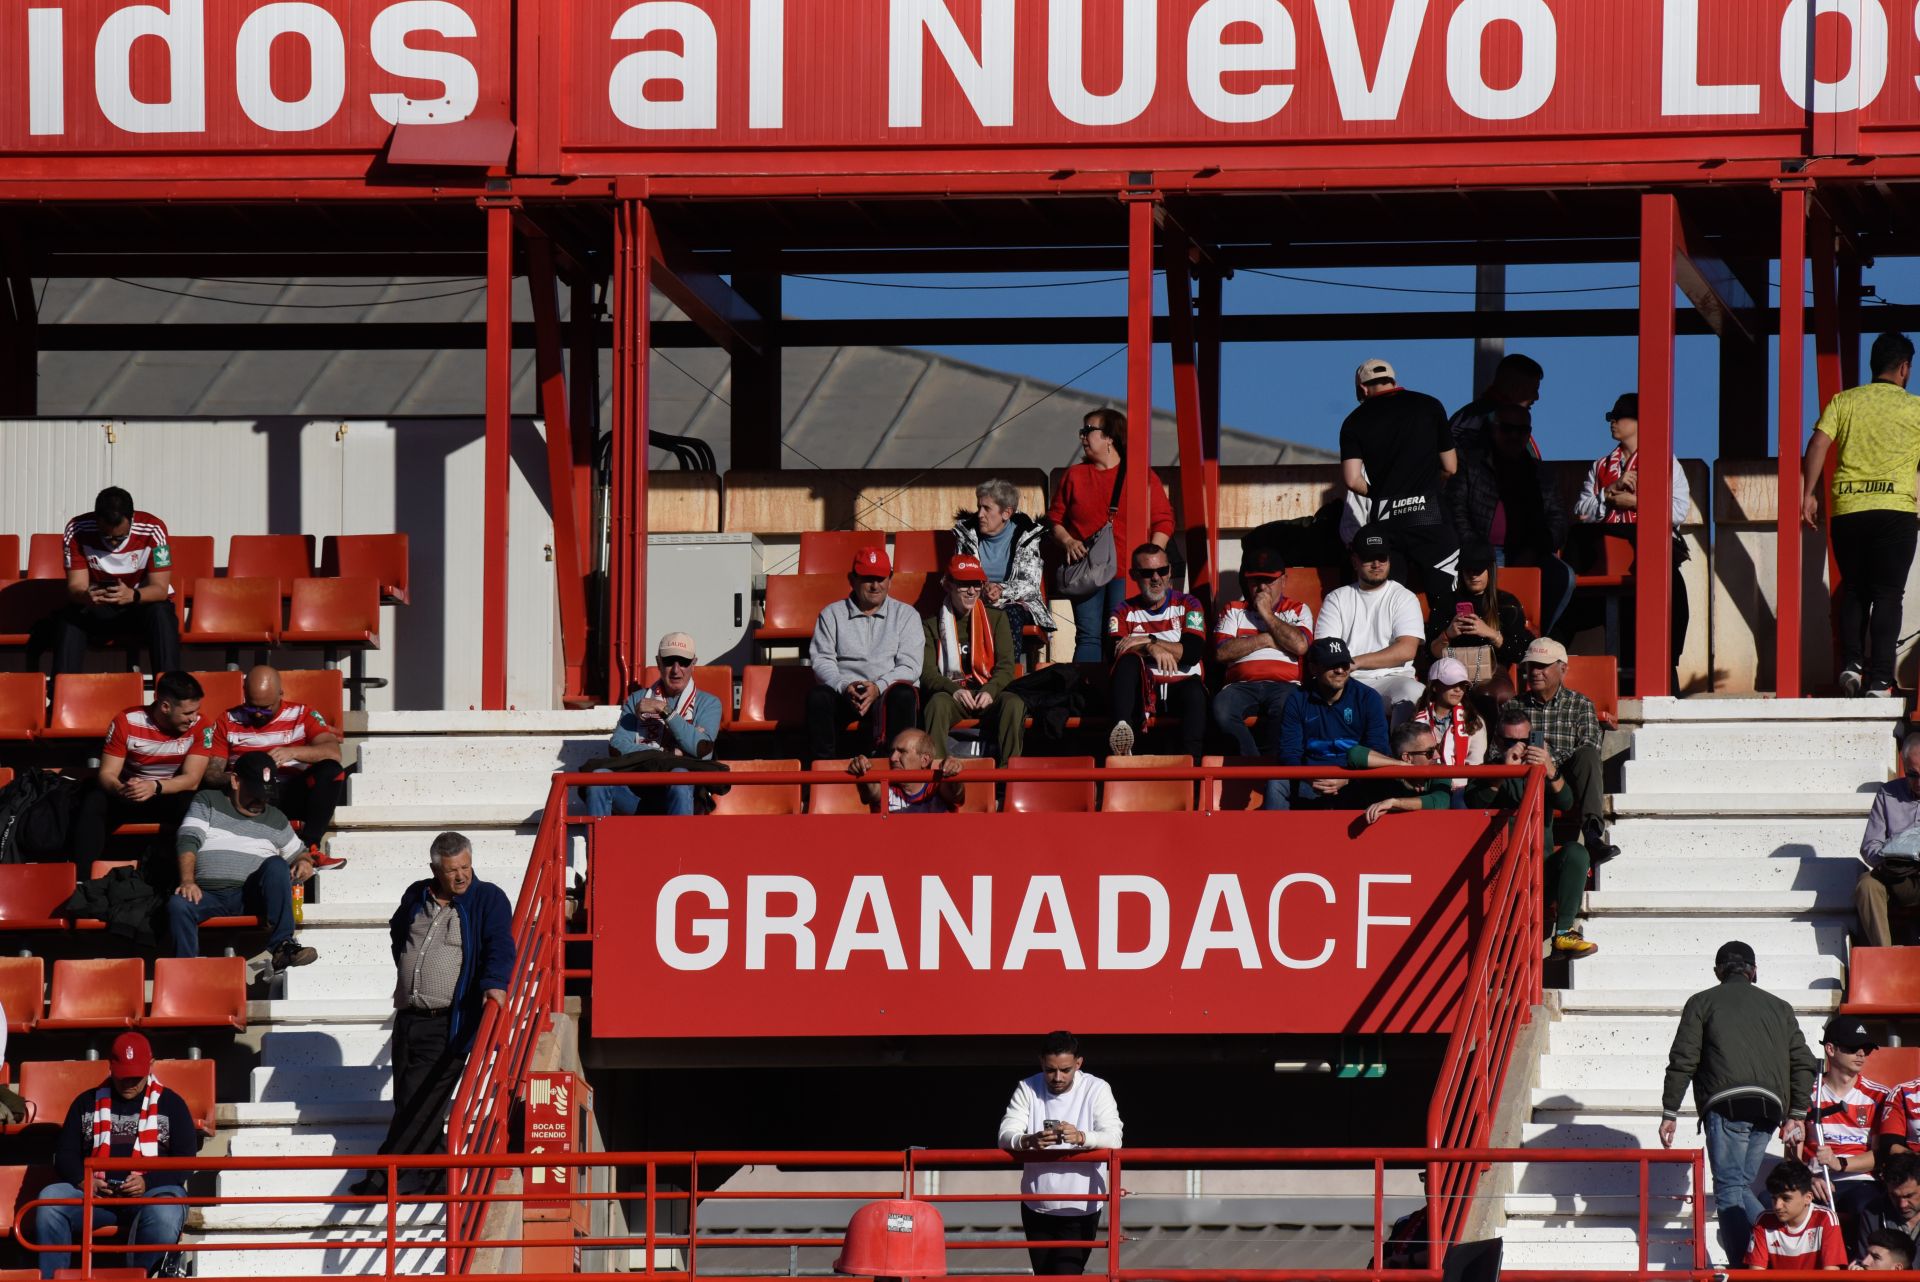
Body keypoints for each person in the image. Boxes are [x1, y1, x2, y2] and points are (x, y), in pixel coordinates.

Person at [350, 832, 514, 1198]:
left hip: (449, 1023)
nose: (461, 876)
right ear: (435, 870)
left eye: (466, 867)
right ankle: (440, 1177)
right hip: (409, 1017)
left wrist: (494, 983)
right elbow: (399, 936)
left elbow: (499, 944)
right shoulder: (416, 894)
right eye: (452, 870)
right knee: (411, 1100)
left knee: (421, 1098)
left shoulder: (488, 898)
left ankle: (382, 1178)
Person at [1659, 940, 1818, 1266]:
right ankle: (1767, 1250)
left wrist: (1669, 1110)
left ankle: (1747, 1266)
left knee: (1730, 1191)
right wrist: (1797, 1113)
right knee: (1741, 1186)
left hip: (1727, 1103)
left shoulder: (1702, 1002)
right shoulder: (1780, 1006)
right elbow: (1804, 1062)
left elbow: (1684, 1059)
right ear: (1753, 970)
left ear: (1718, 971)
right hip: (1769, 1108)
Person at [1801, 332, 1920, 698]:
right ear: (1904, 368)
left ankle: (1851, 664)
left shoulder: (1844, 401)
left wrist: (1809, 493)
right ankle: (1881, 680)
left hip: (1849, 509)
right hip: (1895, 510)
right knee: (1887, 594)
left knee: (1853, 589)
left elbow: (1819, 442)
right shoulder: (1915, 407)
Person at [34, 1031, 197, 1279]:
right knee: (50, 1201)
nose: (129, 1083)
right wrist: (84, 1181)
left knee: (166, 1211)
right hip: (96, 1195)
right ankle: (53, 1278)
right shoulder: (85, 1102)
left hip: (150, 1195)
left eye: (136, 1077)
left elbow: (186, 1159)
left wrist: (148, 1182)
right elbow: (65, 1154)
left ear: (151, 1066)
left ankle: (140, 1276)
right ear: (110, 1067)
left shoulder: (172, 1103)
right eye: (123, 1076)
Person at [1571, 393, 1693, 679]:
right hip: (1605, 558)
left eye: (1619, 416)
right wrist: (1609, 493)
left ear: (1640, 422)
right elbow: (1581, 511)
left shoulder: (1665, 462)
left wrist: (1638, 503)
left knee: (1669, 607)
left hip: (1649, 557)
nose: (1612, 422)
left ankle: (1663, 676)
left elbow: (1679, 510)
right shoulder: (1601, 466)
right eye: (1611, 417)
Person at [170, 750, 319, 972]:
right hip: (207, 895)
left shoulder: (276, 817)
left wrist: (305, 862)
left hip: (249, 896)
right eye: (255, 793)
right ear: (235, 781)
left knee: (276, 864)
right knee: (178, 904)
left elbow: (300, 853)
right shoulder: (208, 801)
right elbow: (188, 840)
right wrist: (187, 881)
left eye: (266, 794)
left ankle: (283, 946)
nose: (261, 801)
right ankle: (185, 972)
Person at [1047, 409, 1173, 663]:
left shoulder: (1141, 476)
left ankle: (1118, 696)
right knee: (1088, 637)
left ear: (1109, 438)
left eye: (1088, 431)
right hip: (1086, 571)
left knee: (1121, 635)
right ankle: (1086, 696)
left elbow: (1164, 520)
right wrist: (1068, 541)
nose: (1082, 437)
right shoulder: (1074, 475)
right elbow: (1054, 520)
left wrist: (1150, 562)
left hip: (1127, 571)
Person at [1467, 709, 1595, 957]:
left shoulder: (1542, 768)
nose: (1518, 747)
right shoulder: (1488, 769)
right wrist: (1504, 773)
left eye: (1525, 741)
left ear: (1534, 739)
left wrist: (1550, 770)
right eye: (1509, 741)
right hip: (1500, 872)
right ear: (1497, 742)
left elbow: (1567, 802)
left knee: (1576, 853)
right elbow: (1475, 803)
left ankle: (1563, 932)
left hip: (1539, 869)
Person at [1339, 358, 1460, 617]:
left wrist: (1380, 494)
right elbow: (1451, 467)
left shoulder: (1354, 421)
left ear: (1362, 389)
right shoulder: (1430, 405)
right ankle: (1443, 649)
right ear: (1394, 380)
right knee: (1445, 603)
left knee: (1389, 604)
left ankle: (1396, 653)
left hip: (1386, 523)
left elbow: (1351, 479)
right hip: (1431, 518)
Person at [996, 1031, 1123, 1277]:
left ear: (1079, 1064)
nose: (1057, 1077)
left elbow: (1115, 1138)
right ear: (1041, 1062)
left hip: (1081, 1207)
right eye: (1050, 1070)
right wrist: (1028, 1140)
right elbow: (1005, 1134)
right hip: (1036, 1205)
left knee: (1066, 1275)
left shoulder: (1097, 1088)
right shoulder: (1027, 1087)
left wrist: (1083, 1137)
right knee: (1044, 1276)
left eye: (1065, 1070)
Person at [1446, 401, 1574, 634]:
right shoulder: (1470, 464)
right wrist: (1478, 551)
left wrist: (1535, 550)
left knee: (1564, 576)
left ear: (1529, 434)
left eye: (1521, 430)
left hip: (1528, 553)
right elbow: (1456, 512)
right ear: (1494, 429)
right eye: (1507, 428)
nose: (1514, 435)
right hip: (1478, 553)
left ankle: (1535, 639)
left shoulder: (1541, 473)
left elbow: (1557, 521)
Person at [71, 670, 220, 866]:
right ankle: (81, 877)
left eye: (196, 711)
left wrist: (154, 786)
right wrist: (121, 789)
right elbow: (107, 774)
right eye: (187, 713)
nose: (193, 718)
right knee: (94, 800)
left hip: (168, 793)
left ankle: (185, 877)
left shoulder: (202, 725)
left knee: (194, 803)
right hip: (130, 793)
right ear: (165, 706)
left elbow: (191, 780)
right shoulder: (126, 721)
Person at [208, 664, 346, 863]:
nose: (257, 714)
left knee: (331, 771)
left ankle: (310, 848)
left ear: (280, 694)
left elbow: (333, 752)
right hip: (248, 795)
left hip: (290, 793)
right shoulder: (227, 720)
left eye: (265, 708)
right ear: (244, 695)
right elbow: (212, 773)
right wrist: (244, 779)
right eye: (251, 706)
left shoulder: (302, 714)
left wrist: (293, 753)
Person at [578, 633, 722, 818]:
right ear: (658, 662)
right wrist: (670, 754)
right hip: (637, 794)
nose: (676, 670)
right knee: (599, 777)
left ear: (693, 664)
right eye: (669, 661)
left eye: (683, 662)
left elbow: (702, 749)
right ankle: (599, 845)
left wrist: (664, 710)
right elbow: (617, 746)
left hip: (684, 796)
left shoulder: (709, 703)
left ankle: (680, 846)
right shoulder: (637, 699)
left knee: (679, 776)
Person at [1501, 638, 1614, 864]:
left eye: (1542, 666)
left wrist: (1549, 759)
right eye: (1531, 665)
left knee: (1588, 756)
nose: (1535, 672)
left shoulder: (1580, 704)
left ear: (1563, 668)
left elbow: (1590, 745)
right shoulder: (1513, 706)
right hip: (1526, 775)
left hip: (1565, 778)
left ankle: (1591, 835)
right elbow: (1496, 750)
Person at [807, 547, 923, 764]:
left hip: (887, 691)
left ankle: (896, 771)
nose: (875, 585)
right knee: (819, 697)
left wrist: (879, 686)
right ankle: (823, 775)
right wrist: (843, 686)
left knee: (903, 695)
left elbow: (911, 666)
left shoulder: (907, 615)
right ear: (852, 579)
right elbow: (822, 660)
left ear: (890, 579)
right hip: (846, 692)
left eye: (881, 578)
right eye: (867, 578)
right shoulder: (831, 614)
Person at [51, 486, 181, 676]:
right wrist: (86, 596)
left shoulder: (154, 528)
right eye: (107, 536)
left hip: (139, 606)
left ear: (132, 519)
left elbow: (160, 589)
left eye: (120, 537)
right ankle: (61, 696)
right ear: (97, 521)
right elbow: (75, 587)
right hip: (99, 608)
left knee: (162, 612)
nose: (113, 543)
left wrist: (133, 595)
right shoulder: (77, 529)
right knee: (70, 618)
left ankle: (170, 693)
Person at [1104, 543, 1206, 761]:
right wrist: (1151, 648)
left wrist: (1149, 639)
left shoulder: (1188, 603)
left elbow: (1191, 653)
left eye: (1162, 570)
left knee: (1195, 692)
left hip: (1182, 688)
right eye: (1147, 573)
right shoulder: (1122, 611)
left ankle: (1192, 771)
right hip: (1143, 691)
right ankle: (1122, 739)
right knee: (1128, 662)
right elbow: (1116, 650)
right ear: (1133, 575)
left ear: (1170, 571)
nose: (1156, 578)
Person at [1211, 544, 1313, 759]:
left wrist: (1266, 614)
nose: (1262, 587)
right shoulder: (1233, 610)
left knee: (1288, 710)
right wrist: (1267, 639)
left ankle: (1270, 768)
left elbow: (1300, 646)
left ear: (1283, 581)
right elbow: (1222, 652)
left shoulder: (1298, 609)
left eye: (1269, 580)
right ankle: (1253, 764)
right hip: (1240, 686)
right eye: (1256, 581)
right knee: (1221, 709)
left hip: (1285, 686)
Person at [1803, 1015, 1892, 1260]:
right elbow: (1793, 1153)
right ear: (1830, 1049)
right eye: (1853, 1048)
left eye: (1865, 1048)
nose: (1861, 1054)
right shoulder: (1805, 1094)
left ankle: (1865, 1270)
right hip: (1815, 1180)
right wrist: (1808, 1177)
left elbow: (1880, 1155)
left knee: (1869, 1207)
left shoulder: (1879, 1095)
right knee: (1773, 1200)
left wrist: (1839, 1163)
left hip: (1860, 1181)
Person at [920, 556, 1025, 763]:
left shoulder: (996, 618)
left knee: (1013, 703)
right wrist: (954, 691)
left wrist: (990, 690)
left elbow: (1005, 667)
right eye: (963, 584)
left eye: (976, 584)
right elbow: (928, 673)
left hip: (986, 693)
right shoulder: (932, 624)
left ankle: (1009, 776)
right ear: (948, 585)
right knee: (936, 704)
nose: (971, 591)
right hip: (954, 696)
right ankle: (937, 773)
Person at [1316, 526, 1426, 722]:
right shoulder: (1337, 598)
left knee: (1414, 692)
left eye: (1382, 557)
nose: (1376, 564)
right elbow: (1326, 650)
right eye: (1368, 558)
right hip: (1348, 680)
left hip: (1392, 679)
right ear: (1355, 561)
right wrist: (1348, 668)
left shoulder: (1404, 597)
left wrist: (1356, 661)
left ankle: (1401, 752)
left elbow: (1407, 650)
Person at [1271, 637, 1390, 812]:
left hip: (1355, 779)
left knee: (1382, 784)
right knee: (1276, 784)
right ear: (1313, 668)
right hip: (1310, 778)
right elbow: (1290, 751)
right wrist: (1309, 778)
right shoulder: (1297, 698)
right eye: (1331, 665)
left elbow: (1378, 749)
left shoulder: (1368, 698)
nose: (1340, 670)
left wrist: (1347, 778)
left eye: (1344, 664)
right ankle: (1275, 839)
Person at [953, 478, 1053, 641]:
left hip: (1016, 604)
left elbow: (1029, 584)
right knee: (954, 614)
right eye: (979, 507)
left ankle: (1007, 666)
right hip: (975, 600)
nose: (980, 514)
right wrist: (982, 589)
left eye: (986, 508)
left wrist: (1001, 590)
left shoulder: (1028, 535)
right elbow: (958, 575)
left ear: (1006, 513)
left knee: (1007, 616)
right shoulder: (966, 535)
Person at [1427, 542, 1537, 690]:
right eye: (1468, 570)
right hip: (1451, 671)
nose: (1473, 575)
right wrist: (1447, 635)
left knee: (1490, 695)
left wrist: (1490, 633)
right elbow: (1430, 653)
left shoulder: (1506, 603)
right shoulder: (1446, 602)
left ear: (1490, 570)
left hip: (1491, 672)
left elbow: (1520, 653)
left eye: (1478, 570)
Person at [1856, 735, 1920, 947]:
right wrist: (1892, 854)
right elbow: (1869, 847)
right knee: (1867, 885)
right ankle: (1884, 955)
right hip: (1897, 875)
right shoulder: (1887, 793)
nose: (1919, 783)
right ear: (1903, 766)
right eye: (1913, 775)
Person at [1747, 1159, 1847, 1270]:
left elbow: (1831, 1275)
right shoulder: (1763, 1221)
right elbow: (1756, 1275)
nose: (1778, 1206)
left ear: (1808, 1198)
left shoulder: (1826, 1219)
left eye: (1786, 1198)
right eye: (1774, 1198)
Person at [1411, 657, 1484, 805]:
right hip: (1423, 783)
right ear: (1435, 686)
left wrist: (1455, 782)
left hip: (1461, 787)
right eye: (1452, 684)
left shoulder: (1473, 721)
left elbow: (1476, 762)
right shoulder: (1415, 719)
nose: (1458, 690)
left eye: (1462, 685)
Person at [846, 729, 966, 813]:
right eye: (892, 751)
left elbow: (955, 793)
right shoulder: (886, 785)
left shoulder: (937, 786)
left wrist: (953, 772)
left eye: (902, 752)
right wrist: (861, 769)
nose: (893, 758)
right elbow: (870, 791)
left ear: (924, 760)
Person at [1358, 720, 1452, 824]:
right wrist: (1399, 764)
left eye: (1437, 748)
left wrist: (1394, 803)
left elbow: (1440, 802)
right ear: (1407, 757)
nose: (1437, 755)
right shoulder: (1389, 774)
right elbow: (1354, 754)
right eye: (1430, 752)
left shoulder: (1439, 770)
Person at [1855, 1152, 1920, 1255]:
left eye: (1909, 1196)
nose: (1902, 1204)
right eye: (1894, 1196)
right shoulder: (1873, 1213)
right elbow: (1866, 1259)